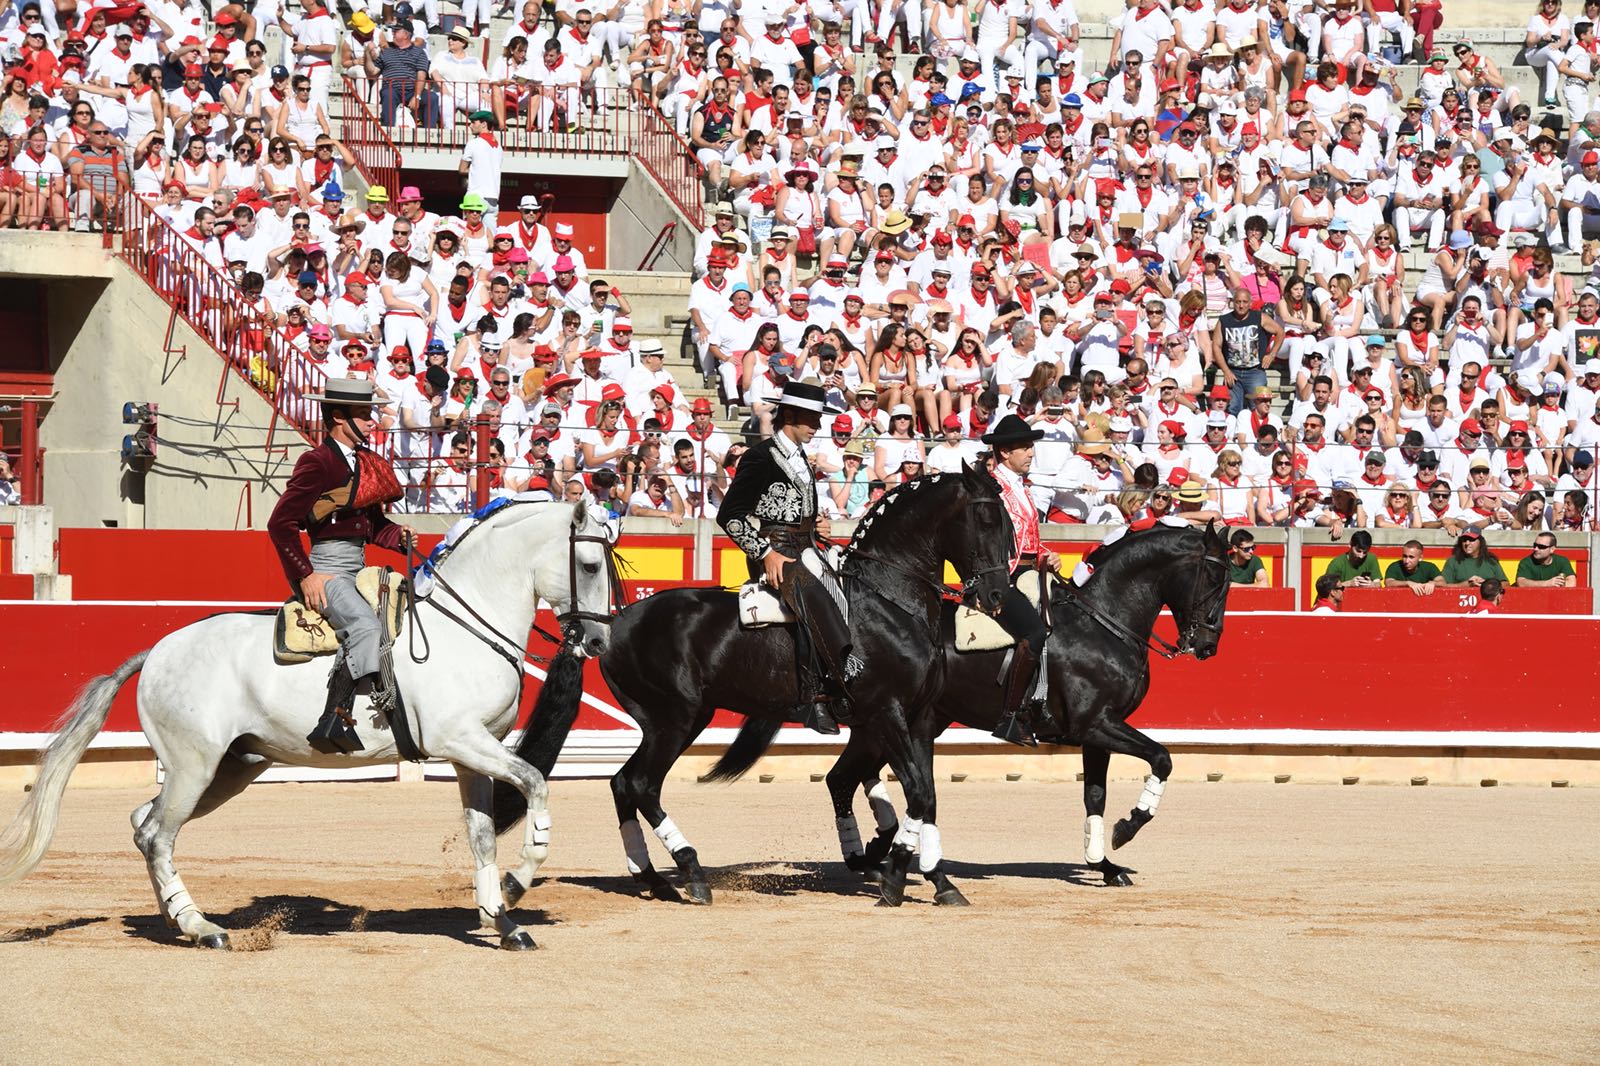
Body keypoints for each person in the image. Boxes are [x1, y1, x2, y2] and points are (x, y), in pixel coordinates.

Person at [266, 379, 414, 753]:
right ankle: (333, 716)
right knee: (364, 625)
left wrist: (398, 537)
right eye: (364, 415)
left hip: (357, 567)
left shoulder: (362, 463)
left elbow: (374, 526)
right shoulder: (317, 462)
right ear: (338, 417)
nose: (372, 422)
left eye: (370, 414)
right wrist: (306, 575)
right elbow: (280, 524)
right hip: (326, 570)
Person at [717, 380, 860, 735]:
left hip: (806, 548)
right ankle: (816, 696)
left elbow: (795, 510)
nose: (817, 424)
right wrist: (764, 553)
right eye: (811, 417)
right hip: (775, 552)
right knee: (813, 596)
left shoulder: (799, 458)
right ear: (791, 415)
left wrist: (817, 527)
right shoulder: (760, 457)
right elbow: (730, 516)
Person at [984, 413, 1062, 748]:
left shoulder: (1018, 486)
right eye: (1024, 447)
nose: (1031, 453)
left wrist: (1045, 555)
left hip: (1027, 571)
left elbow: (1027, 538)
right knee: (1033, 631)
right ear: (1004, 452)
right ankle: (1011, 715)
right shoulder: (993, 488)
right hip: (1002, 577)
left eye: (1031, 447)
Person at [1441, 528, 1508, 588]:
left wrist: (1486, 585)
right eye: (1464, 540)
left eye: (1471, 540)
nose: (1467, 543)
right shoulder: (1453, 561)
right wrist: (1465, 585)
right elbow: (1442, 585)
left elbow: (1506, 584)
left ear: (1480, 541)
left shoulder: (1491, 560)